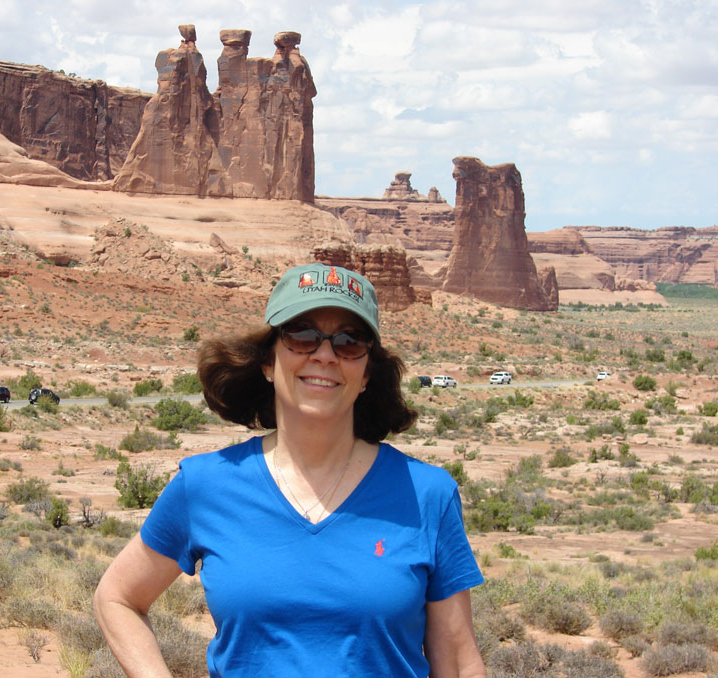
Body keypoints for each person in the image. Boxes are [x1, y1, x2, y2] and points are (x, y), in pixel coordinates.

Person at [94, 262, 486, 678]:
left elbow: (459, 662)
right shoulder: (206, 485)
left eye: (349, 342)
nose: (324, 355)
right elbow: (117, 597)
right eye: (301, 336)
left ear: (367, 372)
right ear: (268, 361)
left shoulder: (426, 494)